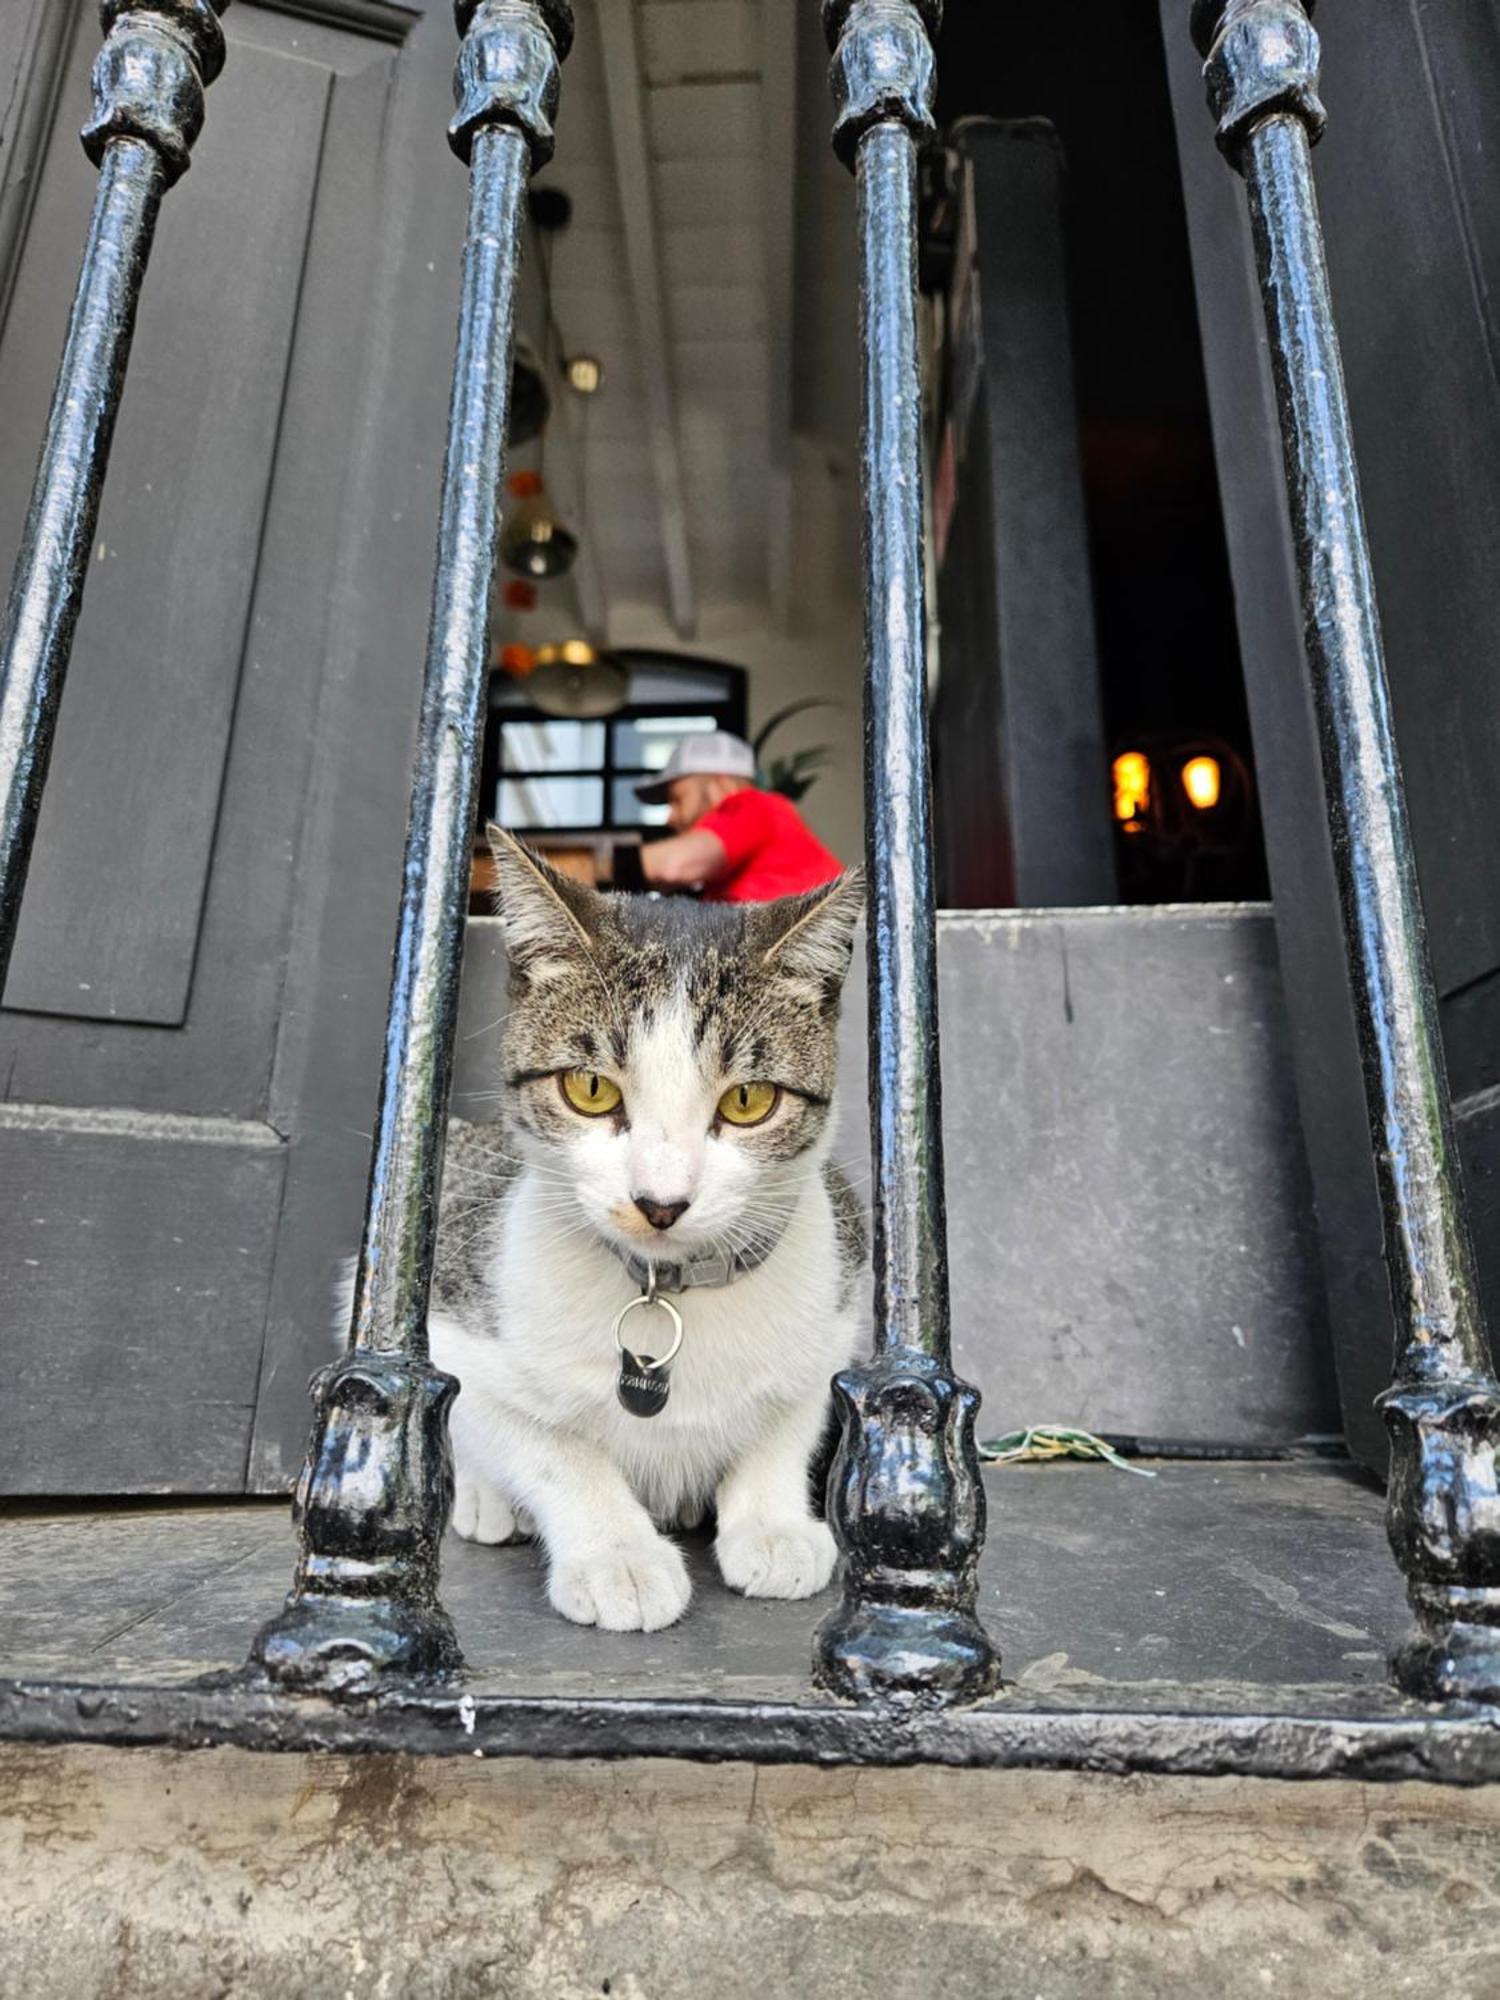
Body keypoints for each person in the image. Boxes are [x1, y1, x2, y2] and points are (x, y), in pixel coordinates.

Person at [635, 730, 843, 903]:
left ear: (721, 786)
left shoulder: (754, 805)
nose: (670, 817)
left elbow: (673, 864)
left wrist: (605, 865)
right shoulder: (724, 881)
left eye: (678, 799)